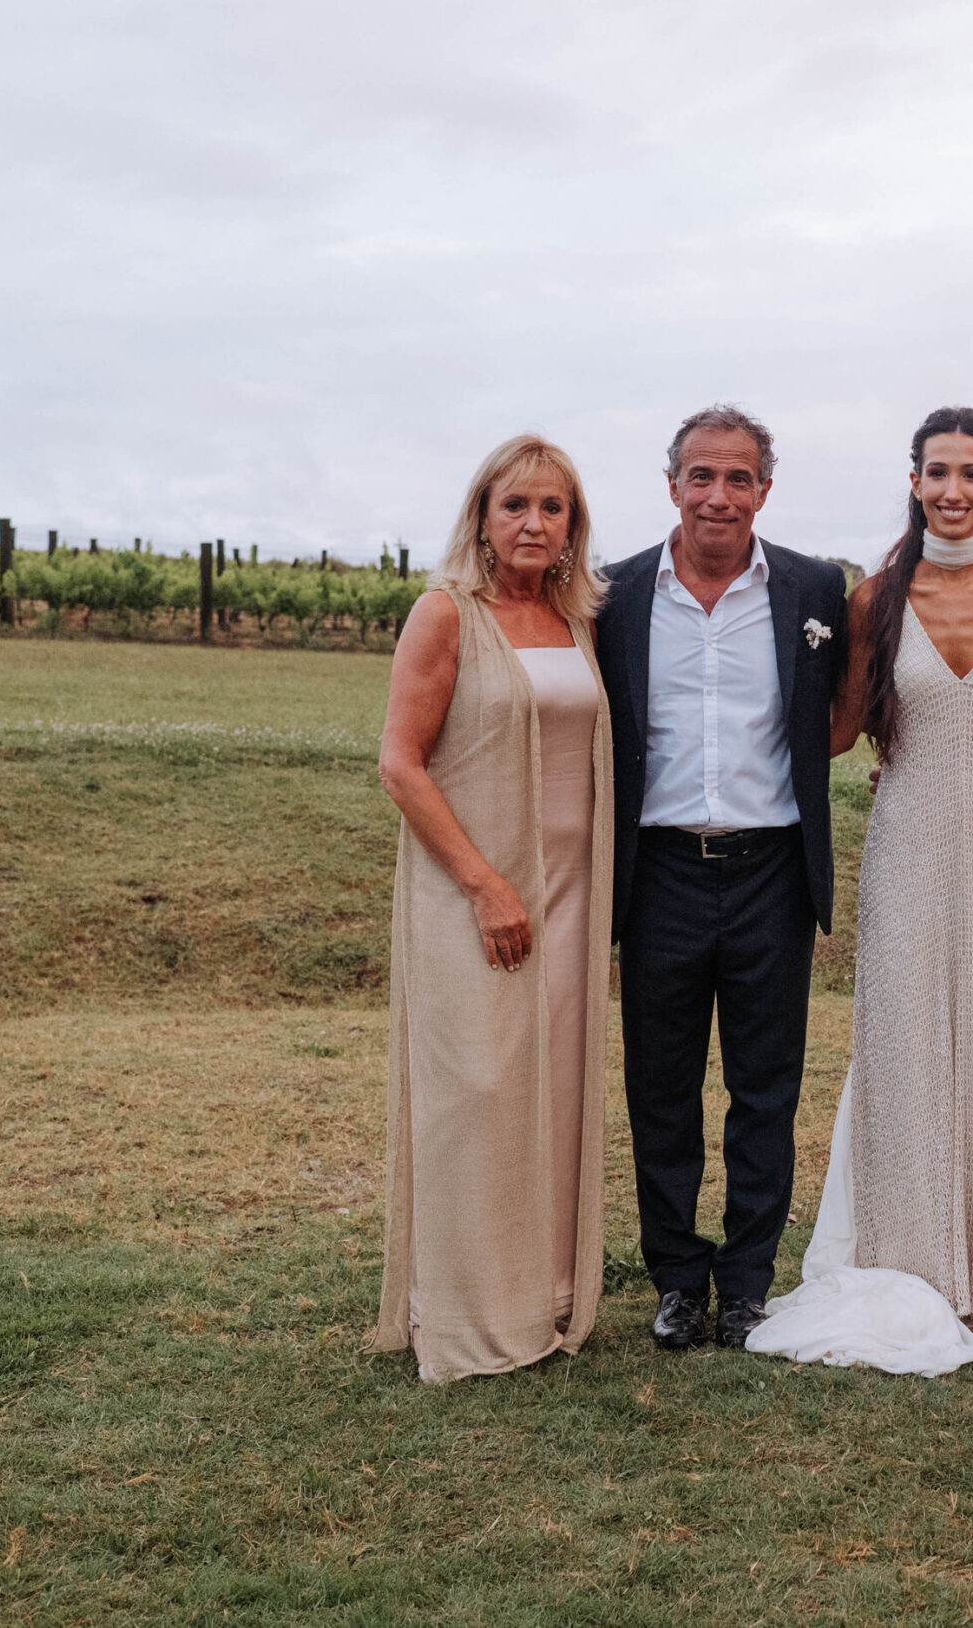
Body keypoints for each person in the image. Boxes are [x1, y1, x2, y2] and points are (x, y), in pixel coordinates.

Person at [746, 406, 973, 1373]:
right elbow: (841, 728)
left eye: (971, 473)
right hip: (910, 838)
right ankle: (920, 1269)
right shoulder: (872, 601)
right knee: (909, 1041)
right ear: (916, 480)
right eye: (938, 472)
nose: (953, 490)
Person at [594, 406, 851, 1352]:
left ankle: (745, 1284)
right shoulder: (614, 594)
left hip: (771, 870)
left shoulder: (814, 588)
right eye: (701, 475)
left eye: (738, 477)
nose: (718, 495)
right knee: (661, 1088)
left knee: (765, 1089)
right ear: (672, 485)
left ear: (764, 491)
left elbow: (847, 706)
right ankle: (675, 1279)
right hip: (657, 868)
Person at [372, 434, 615, 1384]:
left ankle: (541, 1293)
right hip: (475, 892)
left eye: (553, 507)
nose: (533, 523)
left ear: (572, 525)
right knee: (476, 1091)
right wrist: (483, 883)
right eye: (515, 504)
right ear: (482, 516)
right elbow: (400, 762)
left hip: (572, 893)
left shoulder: (575, 619)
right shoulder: (446, 614)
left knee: (549, 1090)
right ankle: (465, 1312)